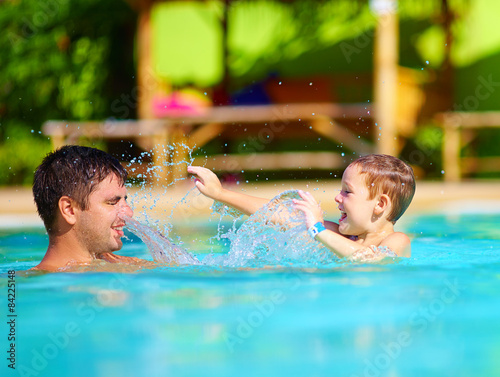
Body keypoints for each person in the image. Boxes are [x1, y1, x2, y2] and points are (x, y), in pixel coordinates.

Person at [187, 154, 416, 260]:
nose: (337, 197)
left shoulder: (397, 241)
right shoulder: (337, 234)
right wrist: (220, 193)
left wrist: (318, 230)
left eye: (347, 191)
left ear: (380, 204)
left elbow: (370, 260)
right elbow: (276, 215)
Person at [31, 145, 149, 272]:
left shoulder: (125, 265)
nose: (129, 213)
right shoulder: (31, 284)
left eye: (124, 200)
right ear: (69, 209)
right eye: (112, 202)